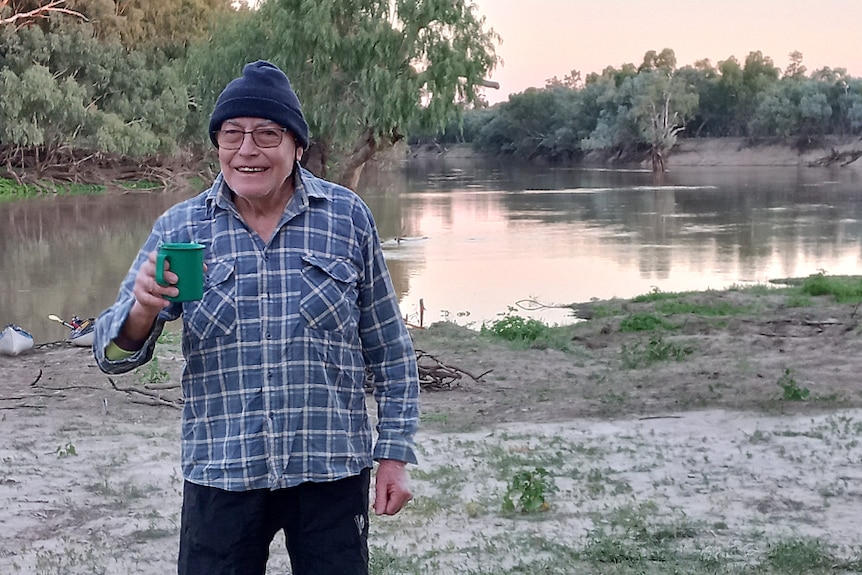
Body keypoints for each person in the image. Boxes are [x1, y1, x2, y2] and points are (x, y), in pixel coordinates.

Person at [93, 60, 420, 575]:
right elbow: (110, 356)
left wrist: (395, 454)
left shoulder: (347, 217)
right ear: (217, 144)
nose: (247, 150)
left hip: (330, 469)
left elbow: (390, 348)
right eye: (232, 135)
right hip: (222, 470)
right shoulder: (181, 228)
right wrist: (143, 308)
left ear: (296, 145)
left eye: (266, 135)